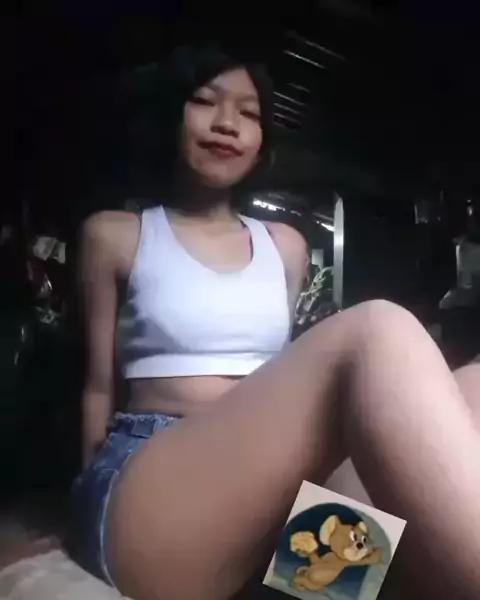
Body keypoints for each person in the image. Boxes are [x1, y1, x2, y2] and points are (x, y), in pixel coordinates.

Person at [69, 43, 480, 600]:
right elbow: (97, 383)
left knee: (474, 384)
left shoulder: (285, 246)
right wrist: (86, 496)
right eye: (205, 101)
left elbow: (274, 384)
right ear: (171, 115)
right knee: (377, 330)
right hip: (157, 473)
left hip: (259, 480)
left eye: (249, 112)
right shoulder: (116, 233)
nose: (227, 124)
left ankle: (313, 587)